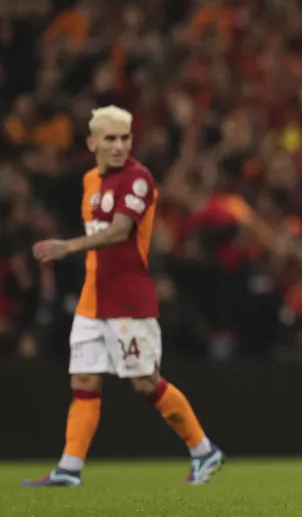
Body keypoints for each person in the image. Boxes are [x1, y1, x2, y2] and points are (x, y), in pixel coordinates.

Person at [22, 106, 225, 487]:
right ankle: (69, 468)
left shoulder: (138, 180)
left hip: (128, 300)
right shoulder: (89, 181)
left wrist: (68, 247)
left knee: (146, 382)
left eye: (125, 138)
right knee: (84, 382)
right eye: (110, 139)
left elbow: (119, 232)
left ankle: (203, 450)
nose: (118, 146)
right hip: (91, 300)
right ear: (92, 143)